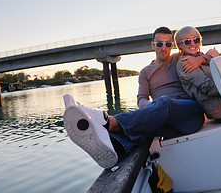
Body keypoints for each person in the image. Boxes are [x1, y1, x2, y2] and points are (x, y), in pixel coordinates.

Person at [63, 26, 207, 169]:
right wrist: (153, 108)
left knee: (164, 103)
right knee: (149, 123)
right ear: (153, 45)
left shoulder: (180, 58)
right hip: (166, 123)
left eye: (168, 44)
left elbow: (213, 55)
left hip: (190, 115)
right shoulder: (145, 72)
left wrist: (201, 59)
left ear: (172, 46)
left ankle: (108, 122)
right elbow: (141, 99)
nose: (164, 48)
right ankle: (114, 147)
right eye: (159, 44)